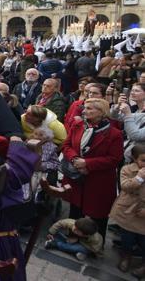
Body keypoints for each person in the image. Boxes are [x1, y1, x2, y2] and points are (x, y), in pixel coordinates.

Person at [61, 98, 124, 242]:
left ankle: (97, 243)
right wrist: (75, 159)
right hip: (76, 175)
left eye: (89, 108)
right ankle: (73, 234)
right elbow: (67, 145)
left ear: (102, 112)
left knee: (98, 213)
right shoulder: (78, 125)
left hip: (98, 180)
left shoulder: (114, 134)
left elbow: (114, 159)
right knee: (75, 207)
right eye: (85, 108)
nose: (84, 111)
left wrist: (87, 163)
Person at [110, 143, 145, 275]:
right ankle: (126, 256)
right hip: (129, 210)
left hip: (143, 213)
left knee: (143, 239)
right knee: (127, 237)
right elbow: (125, 186)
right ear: (135, 159)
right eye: (143, 160)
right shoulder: (127, 170)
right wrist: (139, 178)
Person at [114, 83, 145, 162]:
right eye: (132, 90)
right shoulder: (134, 109)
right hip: (127, 151)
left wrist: (128, 114)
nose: (132, 93)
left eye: (137, 91)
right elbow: (114, 116)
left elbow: (136, 135)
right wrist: (118, 106)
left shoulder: (130, 111)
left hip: (139, 157)